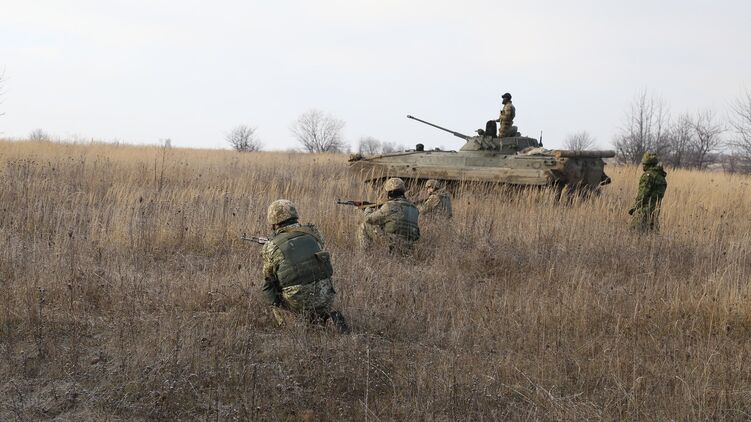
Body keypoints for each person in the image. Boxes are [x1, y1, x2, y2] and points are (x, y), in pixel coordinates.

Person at [261, 199, 349, 333]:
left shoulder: (271, 246)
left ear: (273, 222)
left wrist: (269, 247)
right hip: (326, 296)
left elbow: (268, 277)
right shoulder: (313, 232)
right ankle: (327, 318)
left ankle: (292, 324)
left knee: (270, 287)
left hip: (298, 301)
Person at [357, 177, 420, 253]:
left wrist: (367, 208)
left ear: (389, 192)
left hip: (393, 244)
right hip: (410, 246)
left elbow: (368, 219)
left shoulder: (390, 206)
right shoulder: (414, 208)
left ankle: (365, 254)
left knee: (364, 225)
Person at [628, 152, 667, 232]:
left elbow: (642, 195)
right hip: (655, 212)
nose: (642, 165)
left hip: (644, 211)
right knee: (652, 236)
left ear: (648, 164)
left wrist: (635, 207)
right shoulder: (661, 177)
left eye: (644, 163)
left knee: (634, 234)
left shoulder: (648, 176)